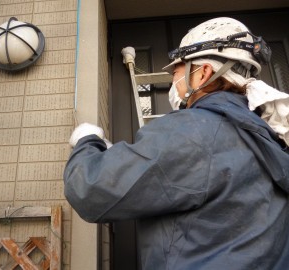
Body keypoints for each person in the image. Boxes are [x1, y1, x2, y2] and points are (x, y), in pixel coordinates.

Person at [63, 17, 289, 269]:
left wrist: (86, 140)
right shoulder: (268, 137)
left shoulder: (193, 129)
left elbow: (91, 188)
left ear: (203, 72)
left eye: (177, 70)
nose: (173, 80)